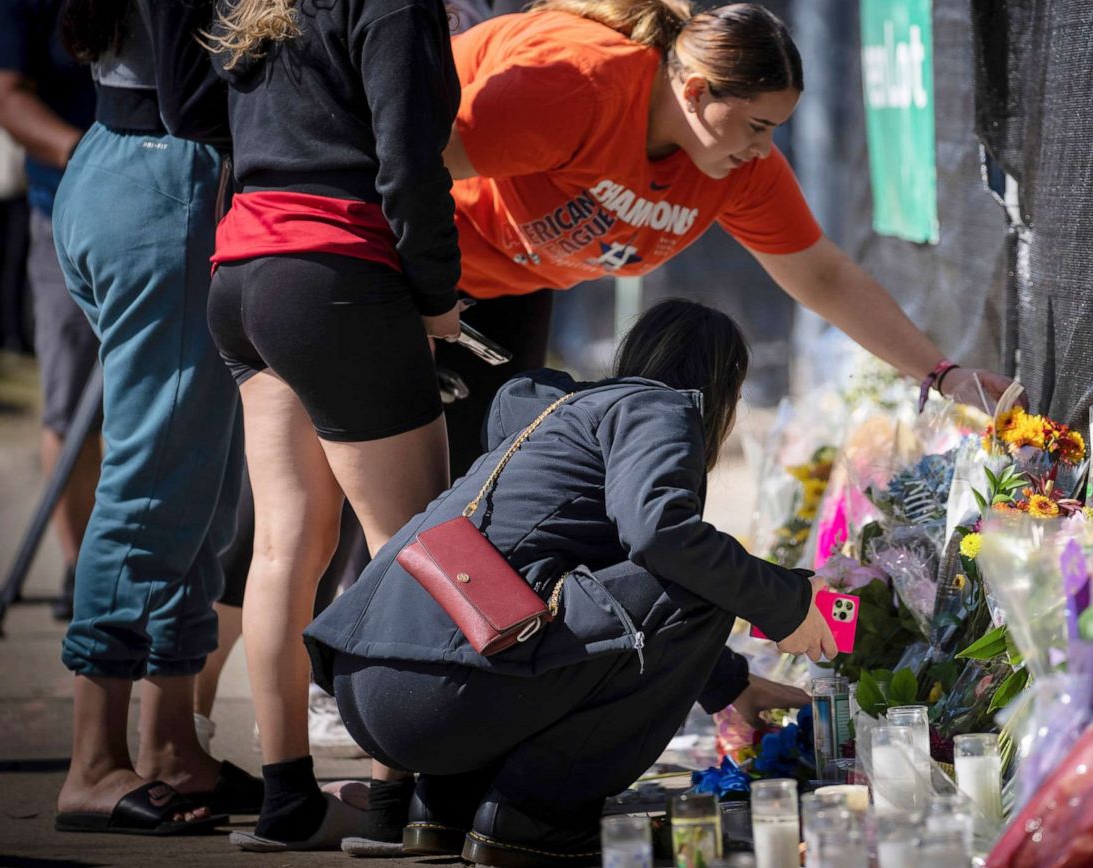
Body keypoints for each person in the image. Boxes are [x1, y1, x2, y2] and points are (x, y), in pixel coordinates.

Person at [306, 299, 833, 866]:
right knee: (701, 578)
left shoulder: (565, 414)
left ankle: (446, 809)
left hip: (371, 682)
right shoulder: (656, 407)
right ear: (721, 389)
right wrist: (792, 603)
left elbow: (609, 605)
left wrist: (729, 683)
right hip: (444, 693)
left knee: (686, 576)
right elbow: (663, 540)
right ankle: (537, 818)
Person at [433, 0, 1015, 476]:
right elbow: (402, 169)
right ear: (694, 92)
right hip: (404, 254)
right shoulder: (579, 86)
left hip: (505, 287)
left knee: (478, 487)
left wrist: (945, 376)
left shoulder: (739, 167)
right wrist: (411, 301)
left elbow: (823, 276)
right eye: (757, 126)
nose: (764, 149)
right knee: (382, 506)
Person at [205, 0, 464, 851]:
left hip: (242, 275)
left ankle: (288, 803)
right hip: (336, 275)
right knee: (417, 546)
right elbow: (409, 160)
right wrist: (437, 296)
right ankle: (396, 806)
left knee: (284, 546)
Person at [49, 0, 258, 836]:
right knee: (154, 487)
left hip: (123, 169)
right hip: (166, 186)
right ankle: (93, 765)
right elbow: (192, 94)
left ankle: (171, 745)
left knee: (198, 489)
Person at [0, 0, 100, 621]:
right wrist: (88, 154)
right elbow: (1, 94)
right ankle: (81, 564)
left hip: (170, 208)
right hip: (64, 212)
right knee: (70, 400)